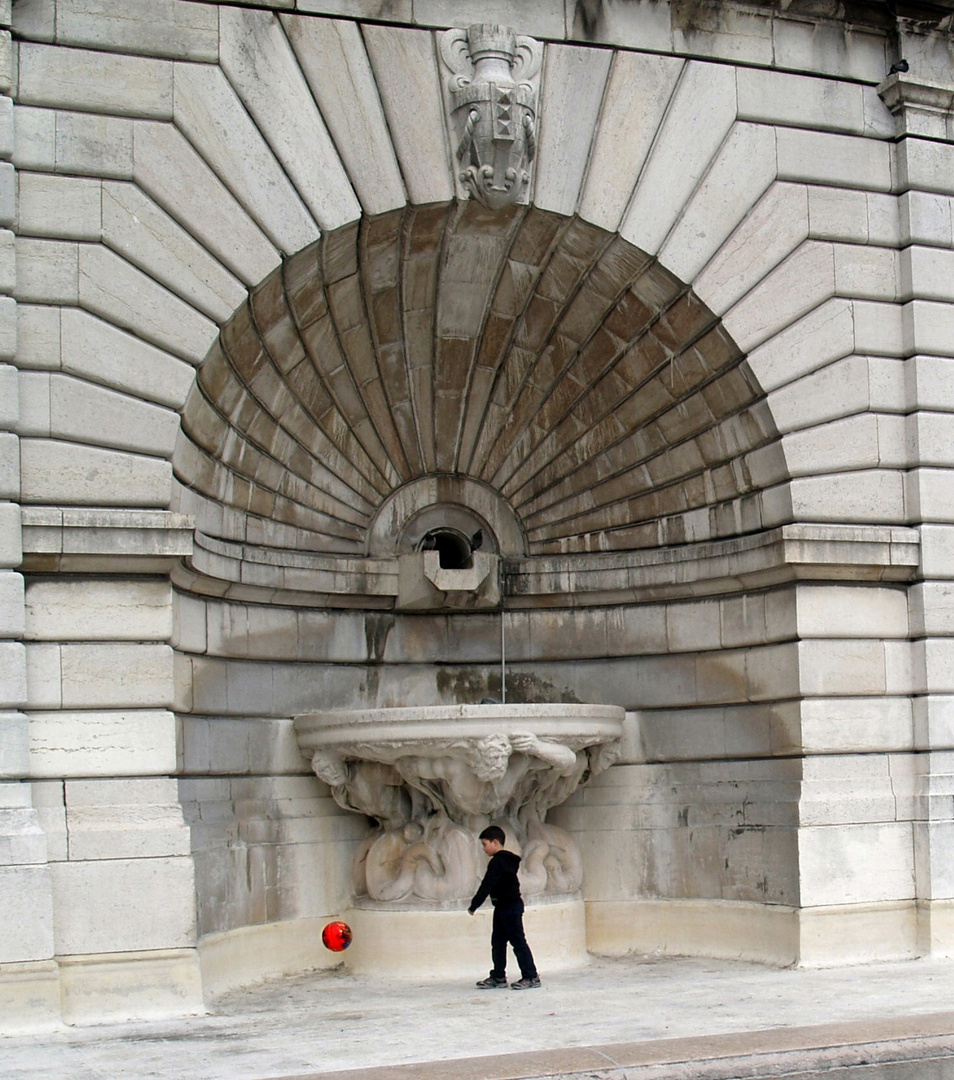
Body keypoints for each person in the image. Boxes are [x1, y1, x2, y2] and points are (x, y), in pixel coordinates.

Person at [467, 824, 540, 989]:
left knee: (518, 942)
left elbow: (487, 884)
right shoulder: (505, 861)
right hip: (503, 907)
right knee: (498, 942)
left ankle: (531, 976)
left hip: (510, 907)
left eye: (485, 844)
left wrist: (474, 904)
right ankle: (498, 976)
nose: (484, 849)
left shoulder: (498, 862)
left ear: (495, 842)